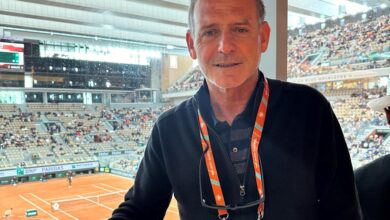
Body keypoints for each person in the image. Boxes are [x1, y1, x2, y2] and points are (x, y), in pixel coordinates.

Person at [110, 0, 362, 219]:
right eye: (209, 32)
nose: (225, 46)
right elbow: (139, 210)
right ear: (191, 44)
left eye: (240, 29)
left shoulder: (310, 111)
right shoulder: (169, 129)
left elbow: (343, 212)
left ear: (262, 37)